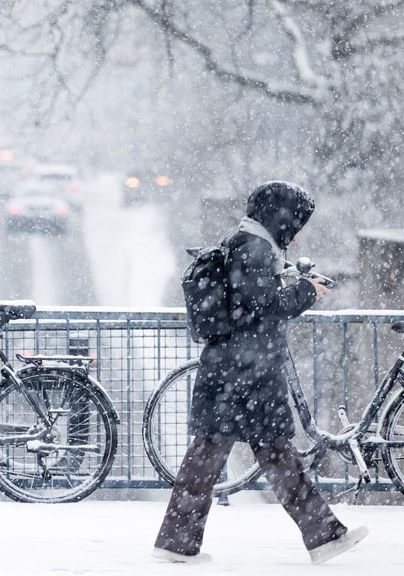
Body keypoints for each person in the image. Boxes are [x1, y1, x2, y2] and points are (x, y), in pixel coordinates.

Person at [152, 181, 368, 565]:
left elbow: (252, 298)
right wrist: (307, 292)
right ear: (278, 217)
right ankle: (323, 536)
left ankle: (178, 542)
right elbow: (264, 305)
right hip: (246, 373)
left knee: (231, 456)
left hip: (236, 370)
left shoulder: (248, 243)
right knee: (259, 456)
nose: (296, 233)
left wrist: (294, 280)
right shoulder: (254, 249)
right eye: (294, 223)